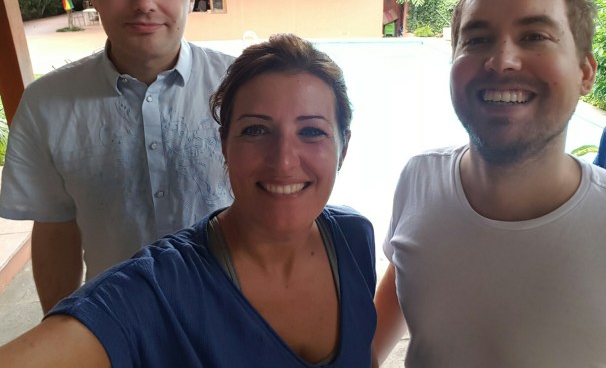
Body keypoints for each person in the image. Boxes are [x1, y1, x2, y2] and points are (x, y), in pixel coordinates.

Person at [0, 33, 378, 368]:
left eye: (312, 131)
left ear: (343, 148)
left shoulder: (352, 237)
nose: (283, 161)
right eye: (255, 130)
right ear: (224, 146)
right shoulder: (156, 290)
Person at [374, 0, 606, 367]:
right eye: (477, 39)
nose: (502, 60)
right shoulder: (419, 179)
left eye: (534, 36)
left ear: (585, 73)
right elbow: (404, 273)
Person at [0, 0, 234, 312]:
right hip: (114, 320)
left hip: (232, 310)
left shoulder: (243, 89)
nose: (144, 3)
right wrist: (63, 328)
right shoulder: (47, 105)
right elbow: (56, 228)